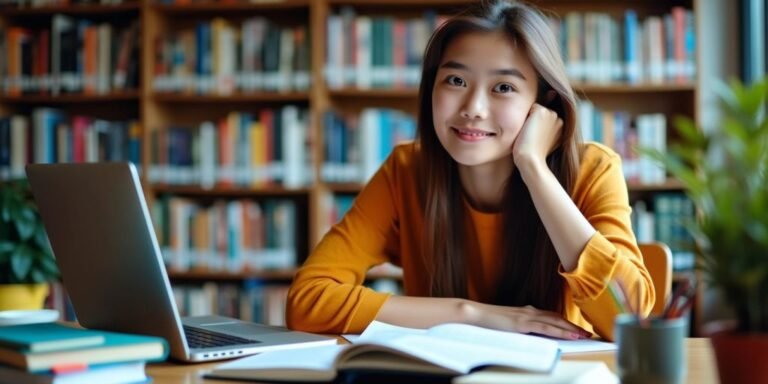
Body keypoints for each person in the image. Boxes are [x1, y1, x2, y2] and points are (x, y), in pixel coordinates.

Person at [286, 0, 654, 341]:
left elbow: (633, 318)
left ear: (544, 103)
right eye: (456, 81)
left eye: (504, 87)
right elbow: (307, 301)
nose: (473, 107)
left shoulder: (592, 169)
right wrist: (470, 314)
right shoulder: (406, 171)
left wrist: (534, 169)